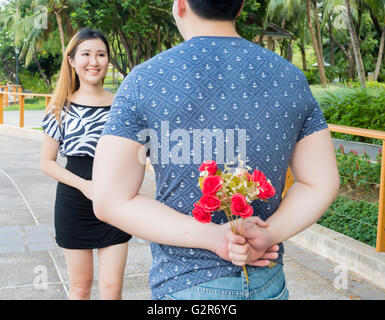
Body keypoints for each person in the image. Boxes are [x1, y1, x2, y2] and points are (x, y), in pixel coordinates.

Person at [92, 0, 339, 300]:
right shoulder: (289, 78)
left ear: (181, 4)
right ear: (239, 7)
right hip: (267, 280)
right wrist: (268, 233)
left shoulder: (144, 81)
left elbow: (109, 200)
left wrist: (215, 238)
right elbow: (320, 182)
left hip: (185, 283)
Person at [40, 28, 132, 300]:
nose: (94, 61)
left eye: (101, 54)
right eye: (86, 54)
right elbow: (47, 163)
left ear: (108, 60)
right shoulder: (60, 107)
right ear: (71, 60)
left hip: (115, 203)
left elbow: (136, 155)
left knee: (112, 289)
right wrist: (86, 186)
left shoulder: (123, 106)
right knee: (80, 287)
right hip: (74, 204)